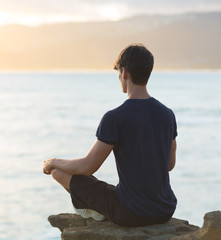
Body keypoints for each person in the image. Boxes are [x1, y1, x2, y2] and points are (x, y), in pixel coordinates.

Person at [43, 44, 177, 227]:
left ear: (124, 73)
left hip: (131, 213)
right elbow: (169, 165)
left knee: (58, 173)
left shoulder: (115, 117)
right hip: (165, 209)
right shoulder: (167, 114)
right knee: (105, 188)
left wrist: (53, 161)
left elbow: (87, 166)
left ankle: (95, 210)